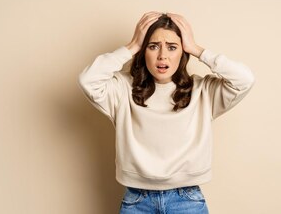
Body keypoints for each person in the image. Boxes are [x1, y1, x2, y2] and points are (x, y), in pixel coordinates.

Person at [78, 11, 255, 214]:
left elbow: (245, 79)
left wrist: (197, 49)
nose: (162, 55)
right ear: (143, 51)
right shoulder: (121, 88)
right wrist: (132, 46)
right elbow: (87, 80)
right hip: (137, 200)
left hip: (187, 200)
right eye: (153, 46)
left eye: (172, 47)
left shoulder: (203, 90)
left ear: (183, 52)